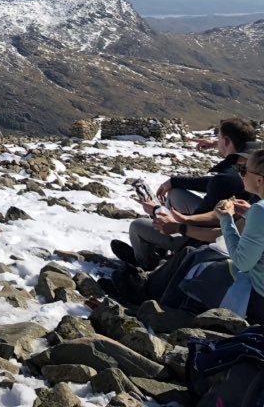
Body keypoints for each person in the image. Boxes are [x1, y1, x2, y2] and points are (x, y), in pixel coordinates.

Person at [112, 117, 255, 269]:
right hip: (228, 225)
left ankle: (149, 264)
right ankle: (161, 247)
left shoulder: (228, 177)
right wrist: (174, 181)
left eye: (218, 138)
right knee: (175, 194)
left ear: (226, 141)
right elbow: (215, 184)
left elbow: (203, 218)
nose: (216, 141)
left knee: (137, 226)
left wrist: (157, 210)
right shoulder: (254, 163)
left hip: (203, 237)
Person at [216, 146, 264, 323]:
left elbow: (242, 261)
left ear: (259, 180)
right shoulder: (257, 211)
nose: (240, 174)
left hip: (258, 302)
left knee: (201, 263)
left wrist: (226, 220)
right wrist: (248, 213)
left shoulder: (260, 210)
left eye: (244, 170)